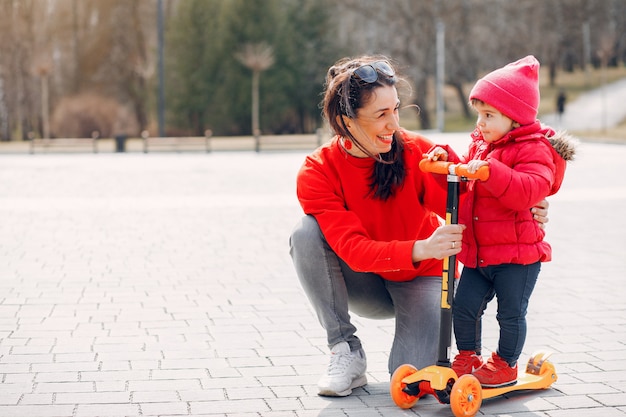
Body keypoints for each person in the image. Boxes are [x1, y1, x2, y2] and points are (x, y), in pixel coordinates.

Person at [288, 55, 550, 397]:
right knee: (305, 233)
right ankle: (345, 350)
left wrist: (528, 202)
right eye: (381, 115)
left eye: (396, 109)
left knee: (411, 379)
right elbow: (352, 249)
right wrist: (423, 246)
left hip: (423, 275)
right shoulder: (318, 171)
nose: (394, 124)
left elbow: (478, 199)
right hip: (364, 280)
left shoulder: (419, 153)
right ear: (346, 122)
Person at [426, 55, 576, 388]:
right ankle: (468, 356)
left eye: (489, 115)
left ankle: (506, 363)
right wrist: (448, 161)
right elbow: (466, 179)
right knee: (463, 306)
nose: (480, 123)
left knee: (510, 314)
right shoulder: (482, 146)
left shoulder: (533, 149)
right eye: (479, 114)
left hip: (517, 256)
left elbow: (529, 189)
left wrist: (493, 172)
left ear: (516, 118)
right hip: (479, 253)